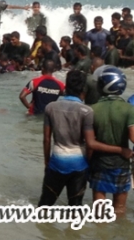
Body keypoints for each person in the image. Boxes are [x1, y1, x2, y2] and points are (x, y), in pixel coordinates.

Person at [38, 70, 126, 206]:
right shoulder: (86, 111)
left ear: (65, 87)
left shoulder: (51, 107)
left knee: (44, 205)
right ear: (84, 89)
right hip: (79, 165)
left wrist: (47, 162)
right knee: (75, 208)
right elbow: (90, 144)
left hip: (56, 162)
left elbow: (46, 140)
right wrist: (89, 162)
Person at [89, 67, 134, 216]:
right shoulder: (129, 109)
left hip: (99, 163)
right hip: (121, 163)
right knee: (119, 209)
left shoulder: (92, 109)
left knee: (99, 210)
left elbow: (90, 142)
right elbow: (133, 137)